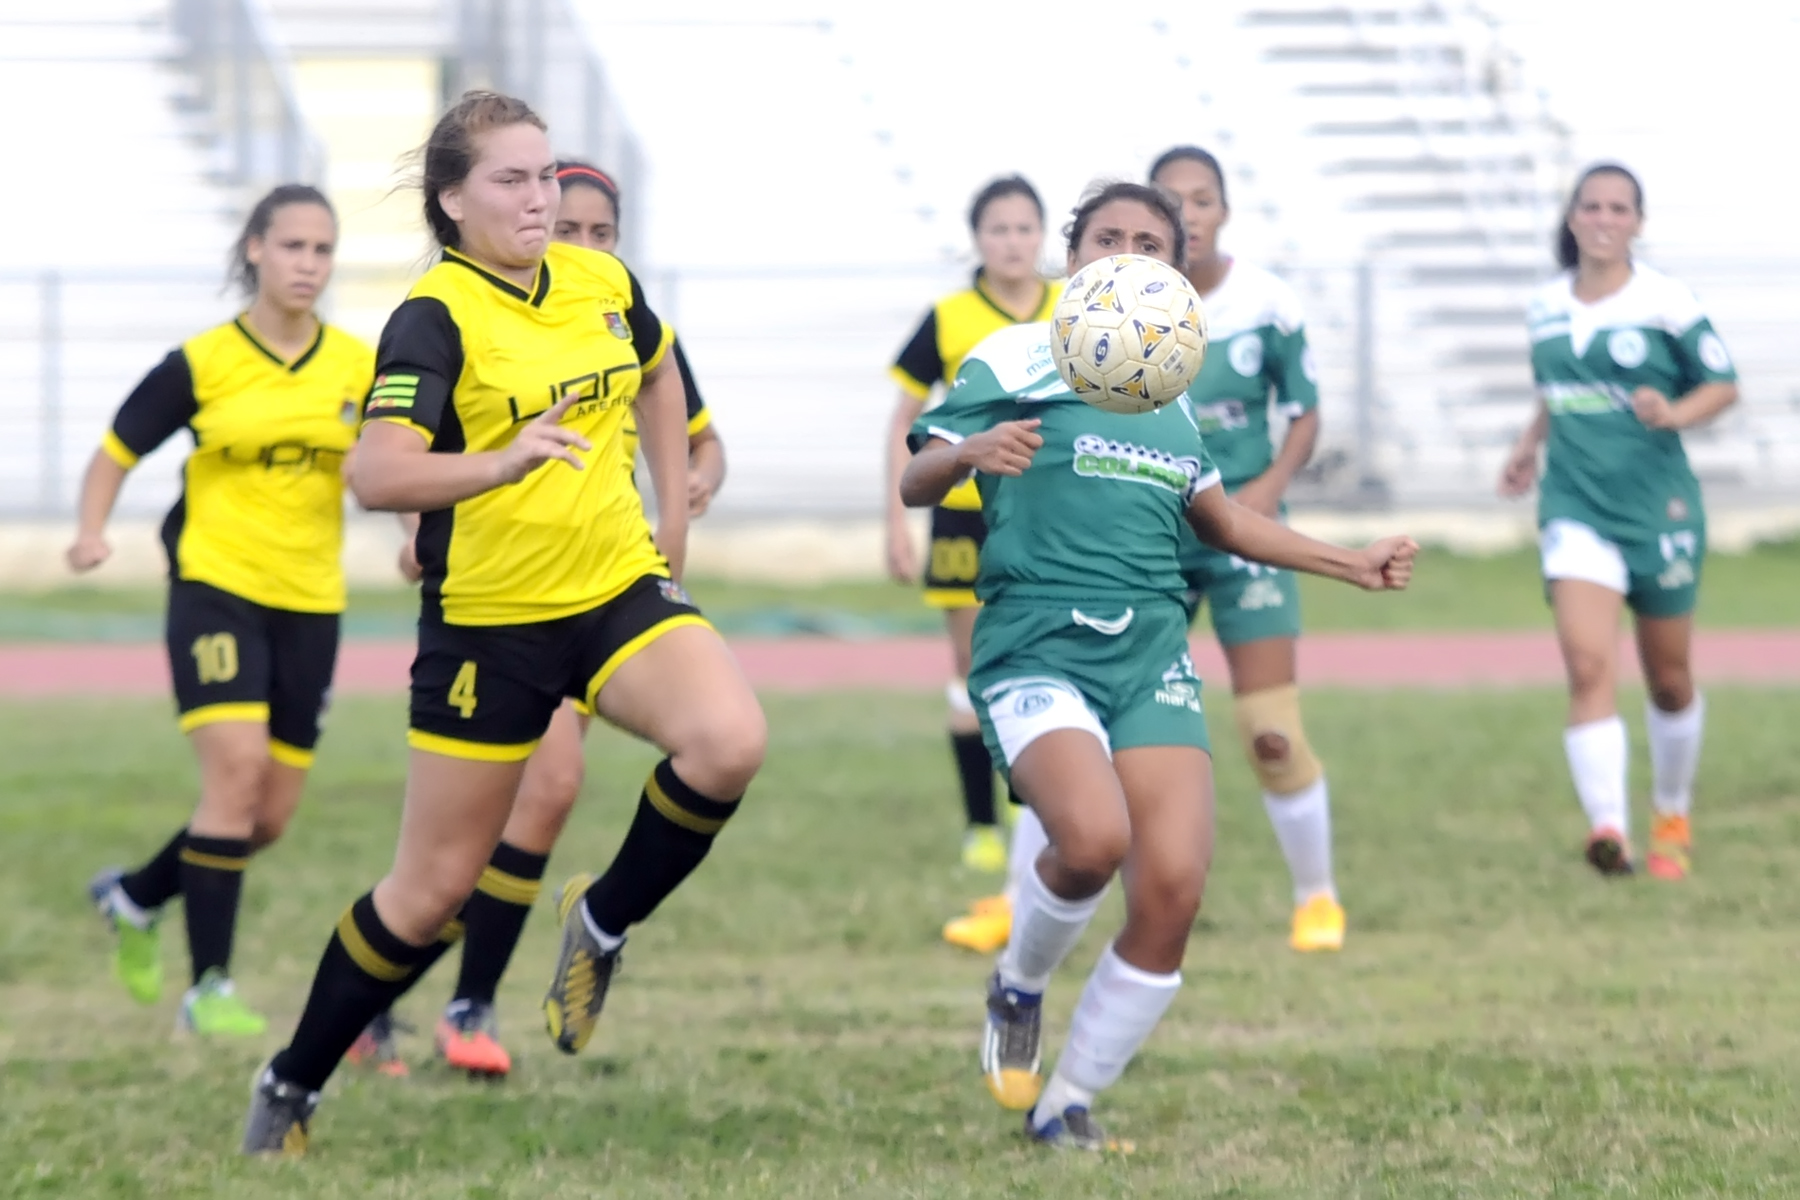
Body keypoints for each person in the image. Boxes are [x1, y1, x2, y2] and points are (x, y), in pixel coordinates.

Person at [241, 91, 766, 1156]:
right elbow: (378, 473)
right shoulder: (433, 316)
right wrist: (503, 459)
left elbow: (659, 375)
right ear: (452, 200)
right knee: (428, 896)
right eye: (511, 181)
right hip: (491, 628)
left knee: (729, 743)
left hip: (615, 586)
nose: (540, 200)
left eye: (546, 175)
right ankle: (291, 1085)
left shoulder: (599, 277)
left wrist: (673, 523)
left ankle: (601, 923)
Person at [901, 181, 1417, 1149]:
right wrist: (971, 449)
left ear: (1176, 272)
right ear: (1074, 255)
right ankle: (1018, 985)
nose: (1126, 251)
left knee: (1173, 886)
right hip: (1036, 644)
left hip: (1151, 656)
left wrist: (1352, 561)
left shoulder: (1170, 388)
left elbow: (1221, 522)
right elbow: (915, 473)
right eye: (1108, 237)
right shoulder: (1016, 352)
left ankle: (1067, 1106)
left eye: (1149, 242)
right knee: (1092, 840)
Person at [346, 157, 731, 1080]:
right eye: (571, 230)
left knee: (558, 799)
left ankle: (477, 995)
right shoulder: (461, 317)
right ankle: (398, 1004)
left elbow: (697, 430)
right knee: (510, 814)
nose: (583, 244)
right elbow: (408, 449)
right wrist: (417, 531)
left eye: (602, 233)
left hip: (610, 586)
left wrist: (687, 500)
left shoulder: (614, 312)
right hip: (507, 600)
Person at [75, 185, 373, 1037]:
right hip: (216, 589)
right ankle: (209, 991)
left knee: (266, 817)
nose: (308, 265)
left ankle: (135, 898)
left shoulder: (358, 366)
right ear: (254, 251)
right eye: (292, 247)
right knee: (235, 774)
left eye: (322, 250)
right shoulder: (204, 361)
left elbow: (395, 463)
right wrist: (90, 531)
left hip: (312, 602)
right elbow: (115, 450)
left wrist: (418, 532)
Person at [1499, 163, 1737, 880]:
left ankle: (1671, 813)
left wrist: (1676, 412)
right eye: (1591, 206)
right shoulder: (1544, 305)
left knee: (1668, 678)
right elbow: (1558, 388)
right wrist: (1528, 444)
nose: (1604, 218)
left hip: (1657, 508)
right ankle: (1609, 827)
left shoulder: (1666, 301)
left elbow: (1722, 384)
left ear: (1637, 222)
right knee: (1587, 662)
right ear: (1573, 219)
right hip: (1576, 507)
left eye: (1619, 208)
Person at [885, 176, 1059, 896]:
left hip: (1048, 510)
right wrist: (896, 519)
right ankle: (983, 823)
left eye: (1024, 229)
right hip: (963, 511)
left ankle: (1033, 810)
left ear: (1042, 236)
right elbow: (904, 418)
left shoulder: (1071, 311)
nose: (1012, 242)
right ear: (978, 239)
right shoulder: (951, 316)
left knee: (1044, 657)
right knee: (972, 670)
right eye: (999, 229)